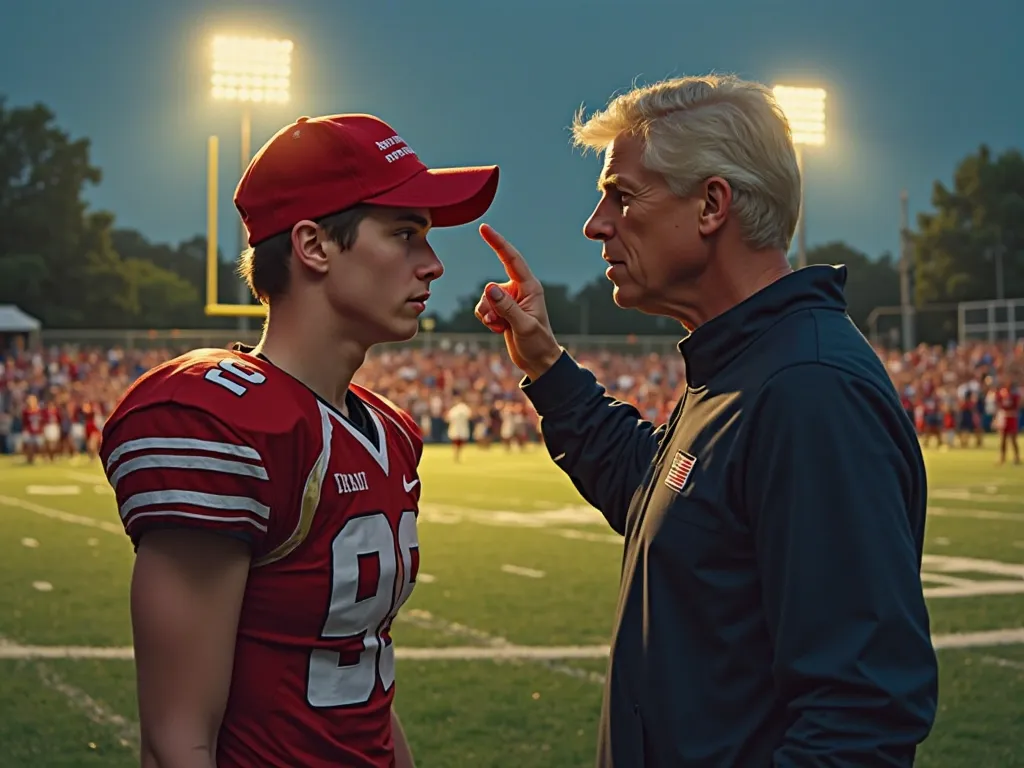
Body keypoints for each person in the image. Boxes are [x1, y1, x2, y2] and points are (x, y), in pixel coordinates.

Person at [474, 74, 937, 767]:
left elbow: (857, 722)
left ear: (712, 205)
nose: (595, 224)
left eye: (622, 196)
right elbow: (652, 496)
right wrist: (547, 367)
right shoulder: (744, 363)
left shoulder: (808, 389)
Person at [100, 113, 499, 768]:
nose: (432, 265)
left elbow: (361, 667)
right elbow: (177, 741)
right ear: (314, 246)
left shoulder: (388, 431)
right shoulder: (221, 422)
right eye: (405, 234)